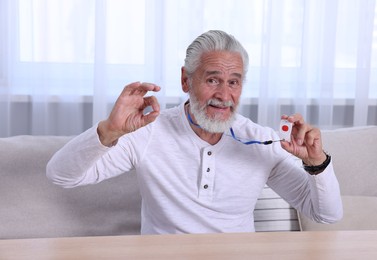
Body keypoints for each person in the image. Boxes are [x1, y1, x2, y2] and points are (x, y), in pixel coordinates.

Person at [46, 30, 343, 234]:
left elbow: (327, 215)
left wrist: (316, 162)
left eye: (234, 82)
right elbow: (61, 175)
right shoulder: (148, 132)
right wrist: (109, 131)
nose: (224, 95)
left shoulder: (261, 140)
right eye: (212, 79)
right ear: (186, 81)